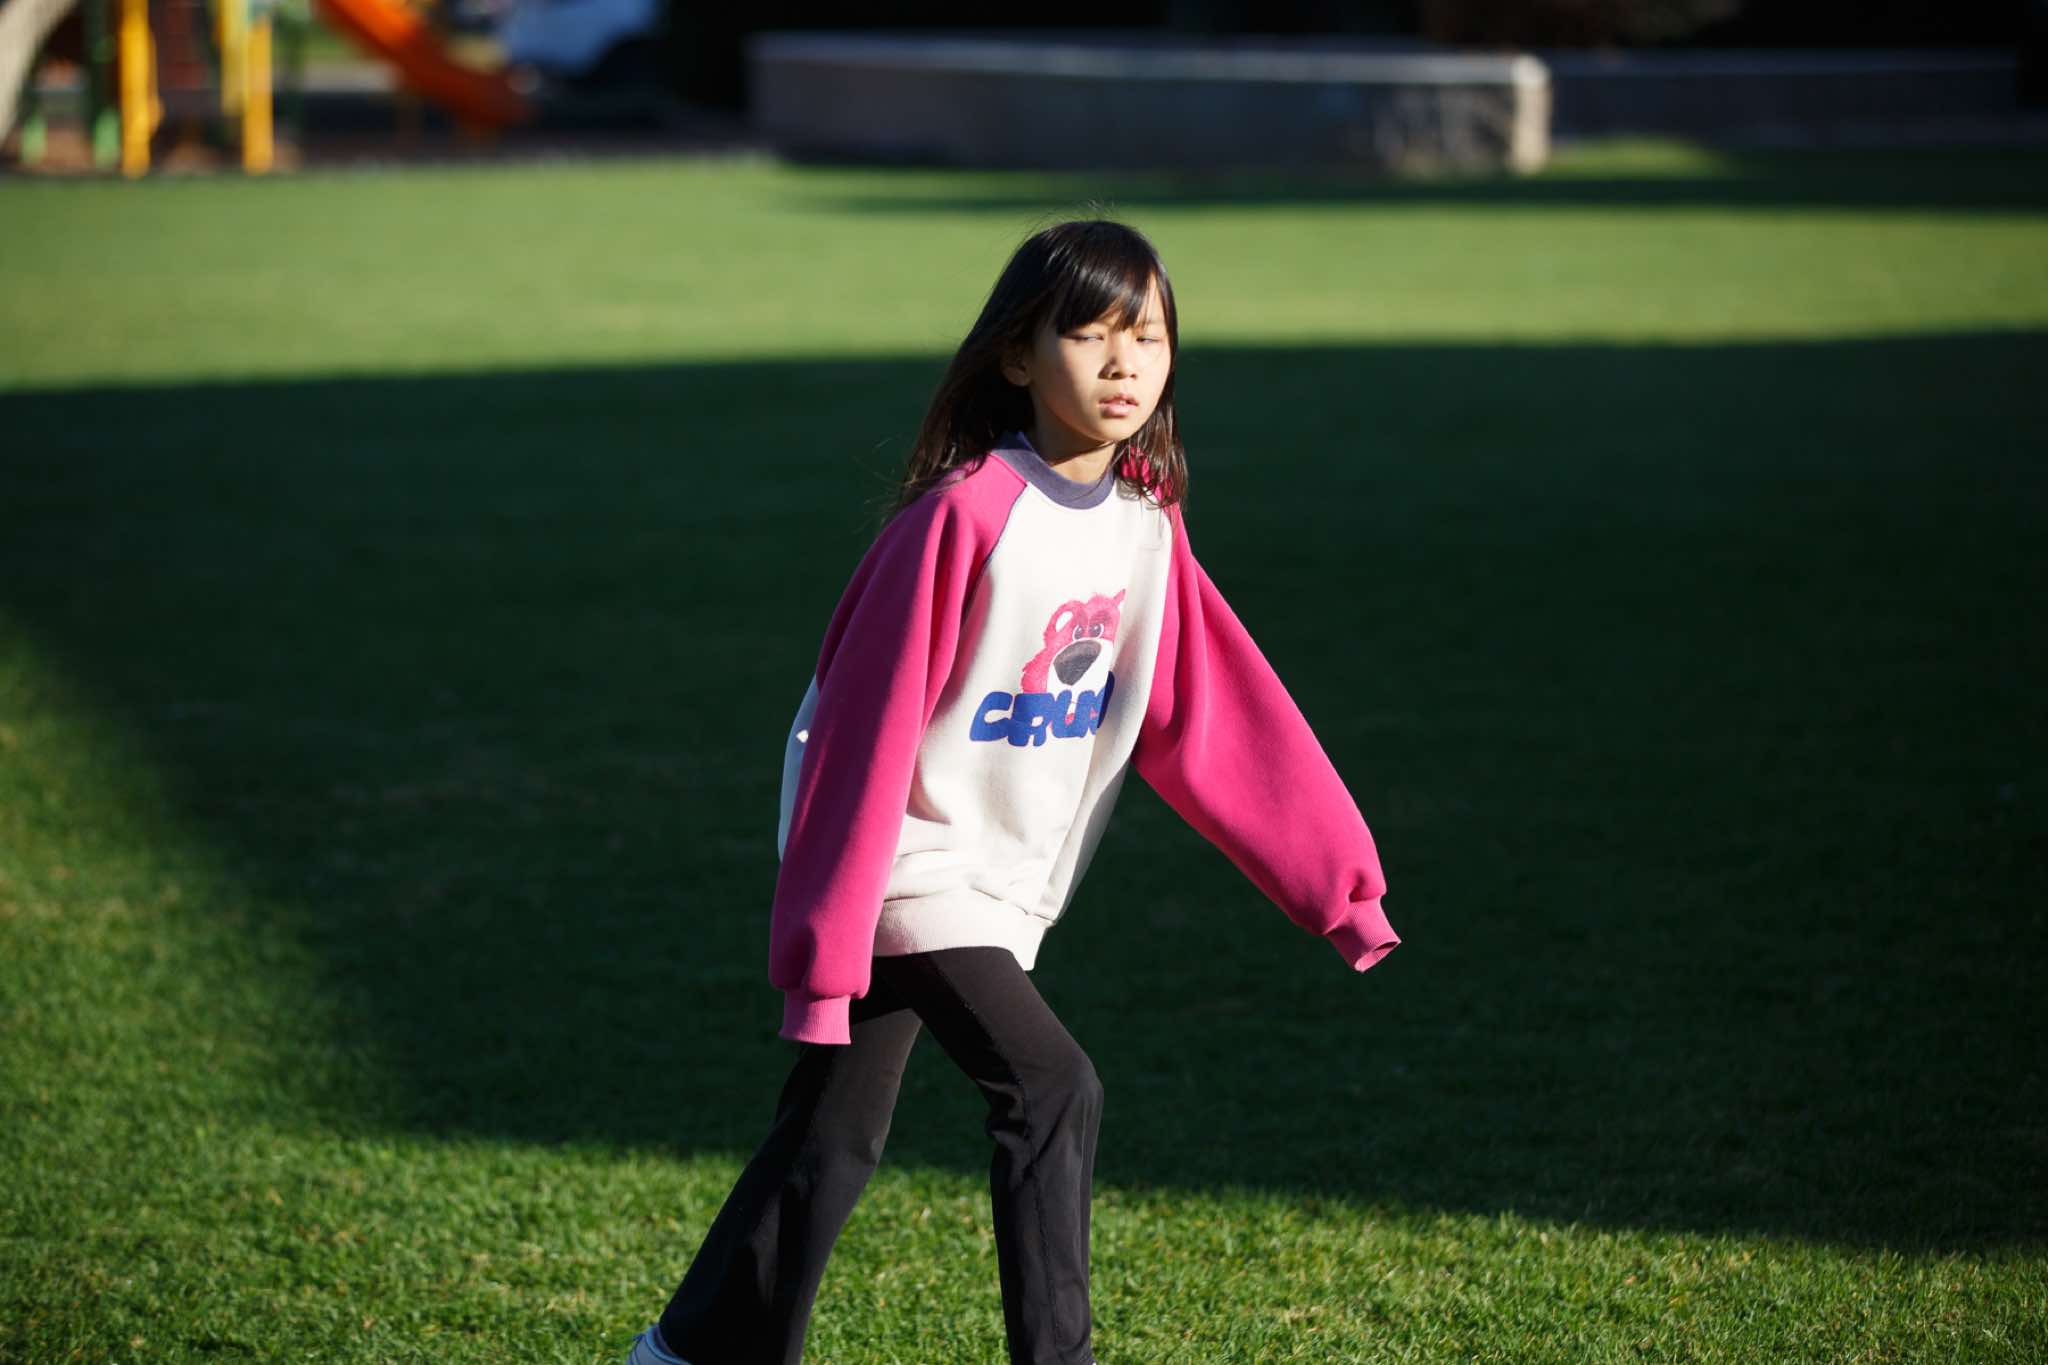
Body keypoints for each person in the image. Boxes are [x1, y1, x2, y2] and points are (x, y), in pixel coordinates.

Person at [624, 217, 1400, 1365]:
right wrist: (828, 932)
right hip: (902, 867)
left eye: (1147, 335)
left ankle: (690, 1351)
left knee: (832, 1136)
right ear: (1015, 357)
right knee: (1052, 1089)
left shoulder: (1144, 524)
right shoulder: (961, 515)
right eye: (1088, 334)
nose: (1124, 363)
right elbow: (855, 737)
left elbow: (1214, 712)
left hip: (999, 880)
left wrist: (1335, 885)